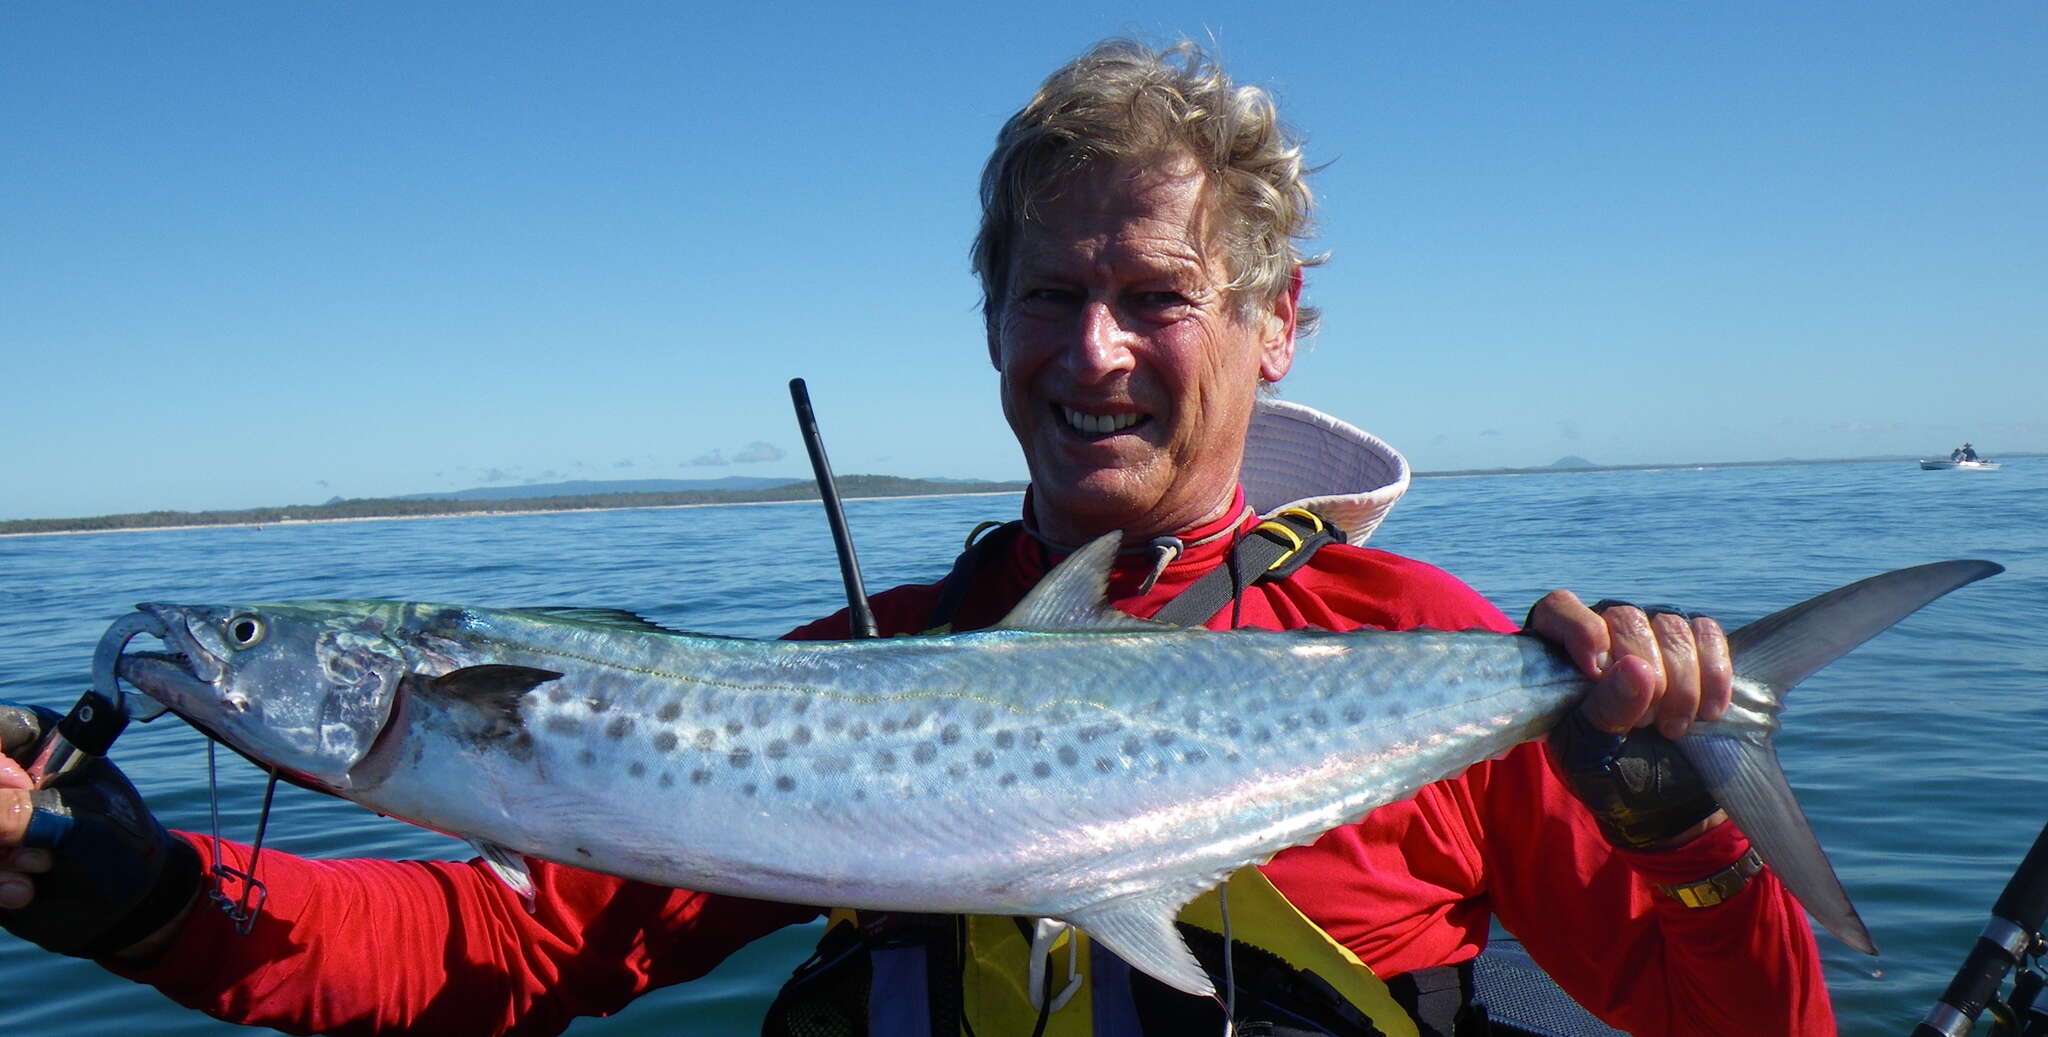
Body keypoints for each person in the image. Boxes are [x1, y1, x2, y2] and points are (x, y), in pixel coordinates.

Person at [0, 40, 1831, 1036]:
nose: (1095, 351)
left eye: (1157, 296)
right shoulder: (844, 676)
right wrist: (147, 902)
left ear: (1279, 331)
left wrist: (1681, 837)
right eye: (1051, 295)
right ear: (992, 329)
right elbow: (504, 956)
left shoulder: (1414, 636)